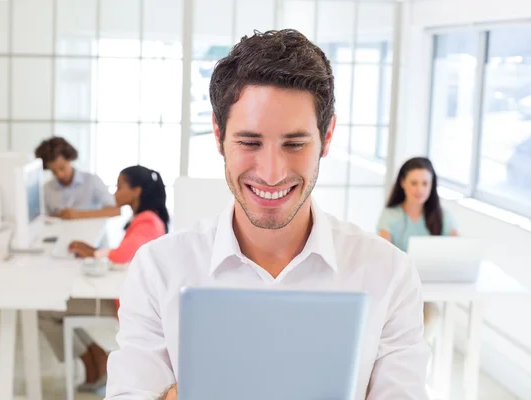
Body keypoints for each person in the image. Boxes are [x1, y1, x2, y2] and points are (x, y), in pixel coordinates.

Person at [105, 29, 429, 400]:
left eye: (294, 144)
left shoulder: (388, 274)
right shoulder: (158, 269)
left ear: (327, 136)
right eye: (249, 142)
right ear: (217, 134)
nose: (272, 172)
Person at [39, 165, 169, 392]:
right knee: (55, 310)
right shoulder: (148, 217)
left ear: (136, 191)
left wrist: (93, 253)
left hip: (124, 304)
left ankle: (94, 357)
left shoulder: (148, 221)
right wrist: (93, 251)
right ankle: (95, 357)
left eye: (119, 187)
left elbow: (121, 256)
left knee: (46, 310)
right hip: (124, 297)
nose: (114, 194)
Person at [377, 156, 458, 342]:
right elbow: (383, 256)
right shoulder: (390, 217)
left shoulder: (442, 217)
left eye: (425, 183)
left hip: (426, 293)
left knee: (430, 316)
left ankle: (418, 365)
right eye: (414, 183)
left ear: (432, 185)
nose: (419, 189)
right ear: (403, 183)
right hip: (398, 294)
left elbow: (458, 248)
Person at [34, 136, 120, 219]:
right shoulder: (47, 188)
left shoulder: (92, 181)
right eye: (53, 171)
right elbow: (41, 219)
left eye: (62, 168)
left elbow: (115, 211)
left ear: (70, 159)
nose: (59, 174)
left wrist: (79, 215)